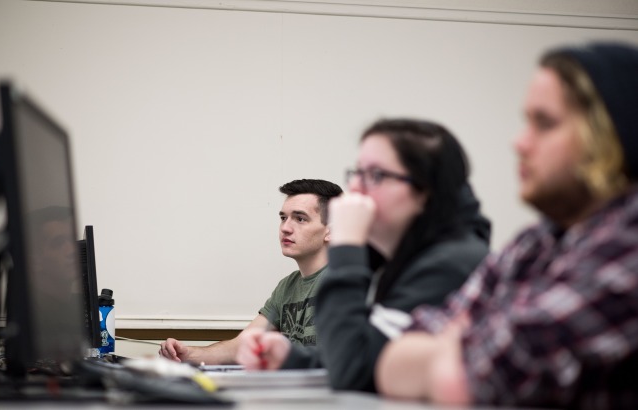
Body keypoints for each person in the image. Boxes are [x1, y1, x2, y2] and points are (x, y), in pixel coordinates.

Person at [375, 42, 638, 408]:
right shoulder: (538, 240)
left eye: (544, 123)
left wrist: (451, 348)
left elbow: (489, 375)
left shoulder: (629, 241)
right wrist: (451, 354)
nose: (519, 142)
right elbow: (393, 360)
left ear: (610, 134)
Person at [236, 118, 491, 392]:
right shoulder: (402, 261)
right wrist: (291, 357)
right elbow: (372, 354)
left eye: (376, 175)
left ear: (425, 192)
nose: (355, 189)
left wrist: (346, 246)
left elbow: (353, 372)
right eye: (357, 173)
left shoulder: (449, 263)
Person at [159, 179, 342, 364]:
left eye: (300, 219)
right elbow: (241, 346)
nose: (285, 228)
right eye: (283, 218)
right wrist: (188, 354)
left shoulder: (344, 281)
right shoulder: (287, 286)